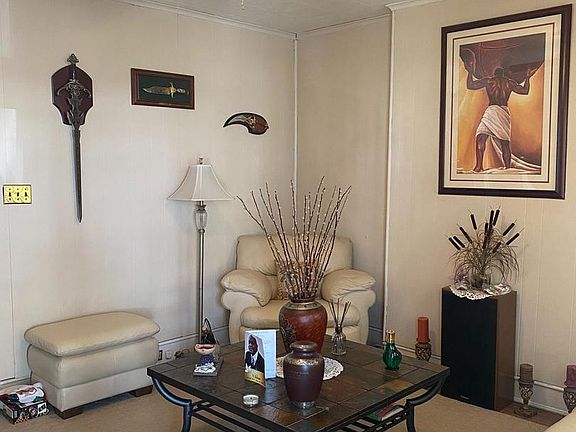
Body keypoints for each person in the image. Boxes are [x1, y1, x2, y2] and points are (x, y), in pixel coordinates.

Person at [465, 62, 538, 172]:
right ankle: (507, 167)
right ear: (503, 74)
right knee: (504, 142)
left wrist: (470, 72)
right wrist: (527, 78)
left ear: (494, 74)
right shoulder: (510, 82)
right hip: (503, 112)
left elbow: (470, 85)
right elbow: (525, 91)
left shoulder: (489, 81)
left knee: (481, 137)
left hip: (492, 110)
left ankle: (478, 166)